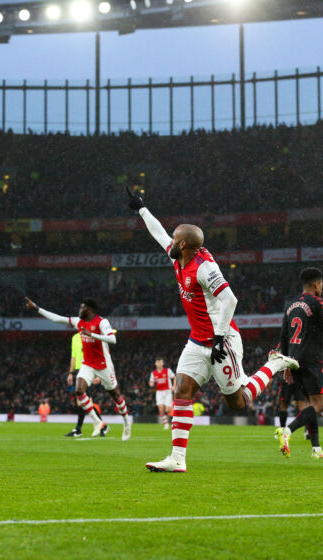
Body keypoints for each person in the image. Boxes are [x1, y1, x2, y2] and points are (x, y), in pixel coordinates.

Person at [127, 187, 298, 473]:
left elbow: (230, 299)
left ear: (183, 244)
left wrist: (219, 337)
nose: (170, 240)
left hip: (223, 340)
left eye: (175, 238)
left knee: (238, 402)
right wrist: (141, 209)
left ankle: (275, 364)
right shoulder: (178, 256)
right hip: (197, 341)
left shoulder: (204, 268)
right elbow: (158, 234)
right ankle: (177, 459)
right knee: (182, 389)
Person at [26, 296, 132, 441]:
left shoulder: (102, 322)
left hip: (103, 365)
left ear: (90, 309)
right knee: (79, 391)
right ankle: (97, 422)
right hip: (87, 364)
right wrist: (37, 308)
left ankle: (126, 422)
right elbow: (57, 319)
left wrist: (92, 334)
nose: (79, 310)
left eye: (82, 307)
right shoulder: (78, 322)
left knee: (116, 396)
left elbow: (113, 339)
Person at [275, 267, 323, 459]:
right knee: (317, 405)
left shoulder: (291, 305)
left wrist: (285, 364)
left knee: (310, 404)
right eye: (322, 284)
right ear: (317, 284)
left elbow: (283, 336)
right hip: (311, 359)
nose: (322, 287)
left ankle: (316, 449)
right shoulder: (318, 302)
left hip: (293, 360)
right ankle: (287, 431)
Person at [65, 331, 106, 437]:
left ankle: (79, 429)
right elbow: (73, 357)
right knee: (83, 403)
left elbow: (98, 354)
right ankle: (100, 426)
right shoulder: (75, 337)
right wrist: (71, 373)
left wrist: (98, 374)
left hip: (88, 370)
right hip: (78, 371)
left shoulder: (91, 336)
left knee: (84, 402)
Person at [149, 357, 176, 430]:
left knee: (168, 410)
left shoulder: (167, 371)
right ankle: (166, 424)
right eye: (157, 362)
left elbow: (174, 377)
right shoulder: (153, 373)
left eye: (160, 362)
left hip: (167, 391)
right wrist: (151, 384)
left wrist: (174, 386)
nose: (159, 363)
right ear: (155, 363)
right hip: (159, 392)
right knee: (161, 409)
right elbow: (151, 381)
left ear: (163, 363)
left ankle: (175, 410)